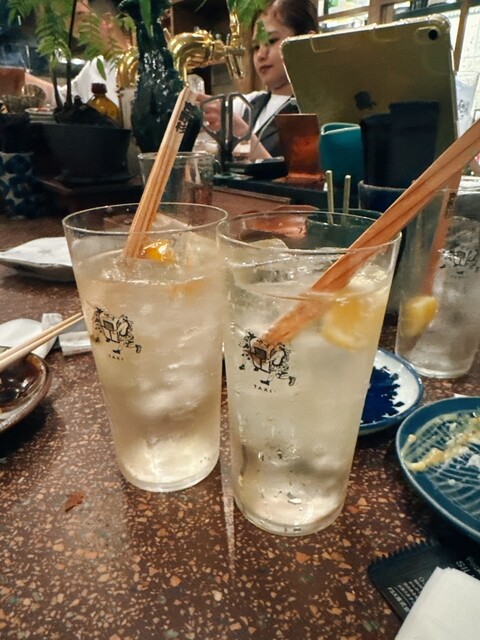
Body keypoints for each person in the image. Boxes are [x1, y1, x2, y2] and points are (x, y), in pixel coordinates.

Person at [197, 0, 318, 160]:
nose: (261, 55)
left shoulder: (318, 113)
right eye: (256, 47)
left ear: (305, 42)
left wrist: (242, 132)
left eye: (271, 41)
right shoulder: (250, 104)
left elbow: (300, 175)